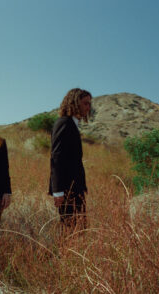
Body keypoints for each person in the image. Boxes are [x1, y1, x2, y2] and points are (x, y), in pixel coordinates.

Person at [49, 88, 92, 229]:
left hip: (76, 188)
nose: (88, 107)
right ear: (75, 103)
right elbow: (56, 158)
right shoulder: (64, 123)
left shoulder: (73, 124)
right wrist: (58, 191)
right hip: (67, 189)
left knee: (78, 229)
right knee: (70, 230)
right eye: (85, 103)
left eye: (89, 104)